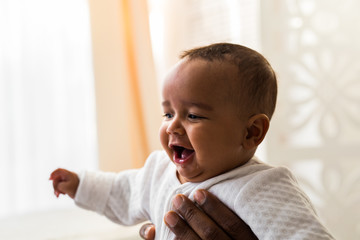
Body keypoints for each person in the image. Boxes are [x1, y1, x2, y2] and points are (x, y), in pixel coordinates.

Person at [50, 43, 334, 239]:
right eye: (167, 112)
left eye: (194, 116)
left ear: (251, 133)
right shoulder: (158, 171)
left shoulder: (261, 188)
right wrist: (81, 184)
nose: (173, 125)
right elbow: (122, 192)